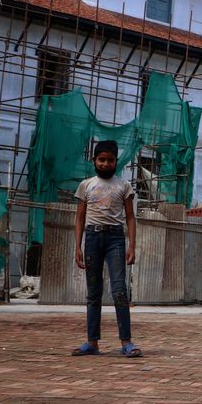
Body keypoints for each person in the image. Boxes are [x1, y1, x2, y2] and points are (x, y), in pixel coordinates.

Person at [72, 139, 141, 357]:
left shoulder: (124, 186)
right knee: (93, 293)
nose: (105, 164)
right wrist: (78, 246)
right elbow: (80, 218)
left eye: (110, 160)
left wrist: (132, 245)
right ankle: (92, 343)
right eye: (101, 159)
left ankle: (126, 342)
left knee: (120, 291)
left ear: (115, 162)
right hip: (92, 238)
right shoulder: (86, 185)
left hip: (115, 240)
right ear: (94, 160)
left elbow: (130, 217)